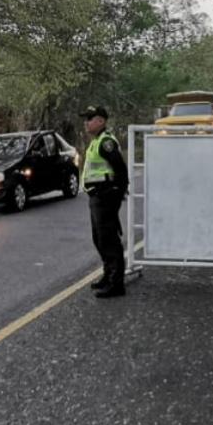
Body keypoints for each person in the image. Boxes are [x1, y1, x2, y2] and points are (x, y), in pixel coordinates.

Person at [81, 105, 129, 298]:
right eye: (86, 119)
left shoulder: (106, 142)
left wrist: (117, 193)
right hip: (96, 196)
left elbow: (121, 170)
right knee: (99, 239)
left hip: (105, 196)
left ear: (101, 121)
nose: (86, 122)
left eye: (90, 118)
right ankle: (108, 275)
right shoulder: (96, 141)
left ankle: (116, 284)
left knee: (109, 240)